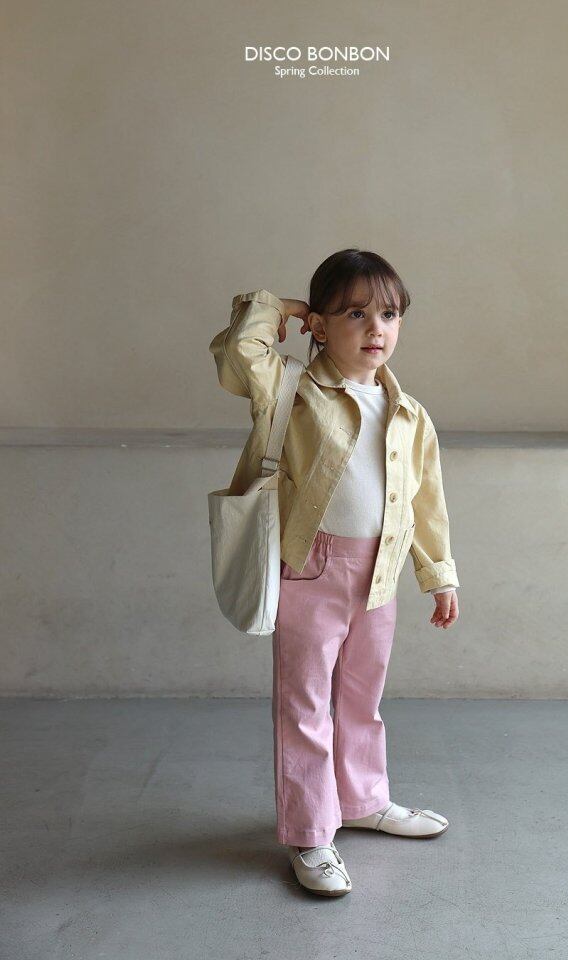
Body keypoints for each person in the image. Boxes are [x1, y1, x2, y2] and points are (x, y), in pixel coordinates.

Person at [209, 249, 460, 897]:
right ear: (320, 325)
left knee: (361, 698)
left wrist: (438, 574)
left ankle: (363, 800)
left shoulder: (409, 413)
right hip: (311, 567)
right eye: (355, 314)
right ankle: (310, 831)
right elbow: (238, 356)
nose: (376, 328)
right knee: (305, 704)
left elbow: (426, 500)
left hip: (380, 573)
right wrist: (280, 308)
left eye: (389, 315)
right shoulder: (290, 390)